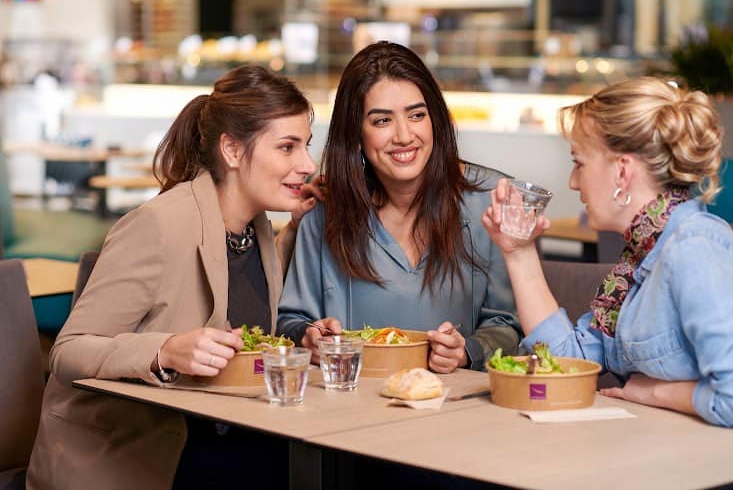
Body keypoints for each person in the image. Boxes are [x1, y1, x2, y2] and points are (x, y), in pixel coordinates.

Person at [27, 65, 317, 490]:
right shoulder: (157, 226)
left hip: (226, 439)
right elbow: (67, 352)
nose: (307, 164)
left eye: (306, 146)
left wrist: (295, 231)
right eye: (288, 148)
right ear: (232, 151)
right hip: (143, 456)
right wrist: (165, 351)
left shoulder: (258, 232)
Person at [483, 76, 733, 430]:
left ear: (622, 170)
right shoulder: (639, 259)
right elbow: (567, 363)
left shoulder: (695, 251)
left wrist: (653, 393)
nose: (573, 181)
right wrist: (518, 252)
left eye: (579, 162)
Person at [278, 41, 521, 372]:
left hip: (455, 407)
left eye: (417, 115)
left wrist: (468, 351)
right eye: (382, 121)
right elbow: (290, 321)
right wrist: (308, 336)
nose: (404, 136)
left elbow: (510, 324)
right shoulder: (324, 208)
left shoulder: (493, 200)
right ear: (356, 135)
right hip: (349, 407)